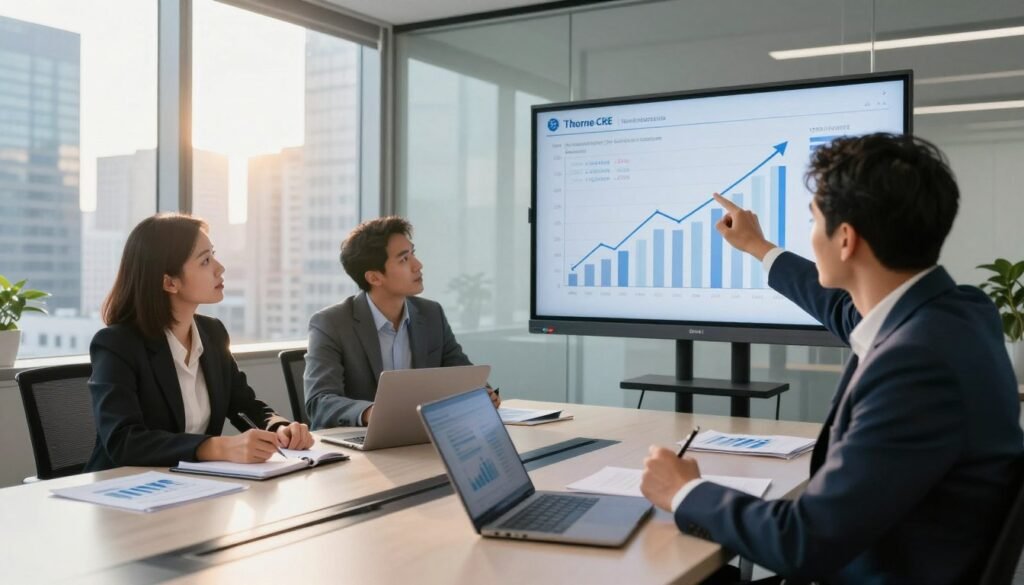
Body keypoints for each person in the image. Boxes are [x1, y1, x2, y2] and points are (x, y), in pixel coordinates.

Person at [640, 133, 1023, 584]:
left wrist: (685, 491)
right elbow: (844, 309)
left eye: (813, 220)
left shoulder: (917, 365)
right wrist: (759, 248)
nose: (811, 233)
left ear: (845, 240)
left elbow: (804, 541)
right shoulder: (959, 312)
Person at [86, 214, 312, 472]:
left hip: (191, 485)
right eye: (205, 261)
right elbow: (123, 441)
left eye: (213, 255)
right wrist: (217, 447)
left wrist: (279, 427)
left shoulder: (212, 333)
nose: (220, 267)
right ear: (169, 282)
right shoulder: (117, 344)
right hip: (122, 489)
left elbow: (244, 406)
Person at [304, 216, 499, 430]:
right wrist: (372, 412)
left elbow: (464, 375)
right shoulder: (331, 323)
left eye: (412, 253)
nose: (418, 265)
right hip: (364, 440)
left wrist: (483, 394)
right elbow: (319, 402)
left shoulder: (431, 314)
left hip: (421, 436)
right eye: (404, 259)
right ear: (374, 278)